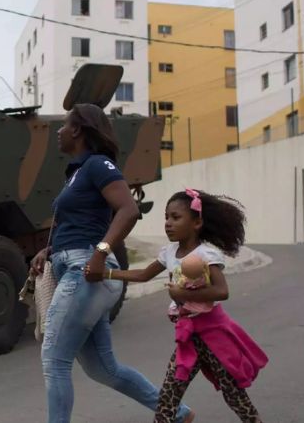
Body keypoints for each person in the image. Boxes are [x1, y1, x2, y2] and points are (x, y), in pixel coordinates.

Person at [29, 103, 194, 423]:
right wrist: (47, 250)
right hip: (75, 266)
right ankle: (177, 413)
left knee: (54, 361)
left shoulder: (97, 165)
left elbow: (128, 209)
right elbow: (81, 223)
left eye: (64, 125)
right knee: (104, 369)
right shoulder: (77, 173)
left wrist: (101, 251)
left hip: (84, 272)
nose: (59, 132)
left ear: (78, 130)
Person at [104, 189, 268, 422]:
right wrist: (107, 272)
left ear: (197, 222)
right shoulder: (169, 252)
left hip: (213, 336)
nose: (168, 224)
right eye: (166, 217)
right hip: (188, 337)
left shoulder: (205, 254)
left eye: (175, 217)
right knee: (168, 398)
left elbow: (222, 291)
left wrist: (181, 292)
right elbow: (142, 275)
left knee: (234, 396)